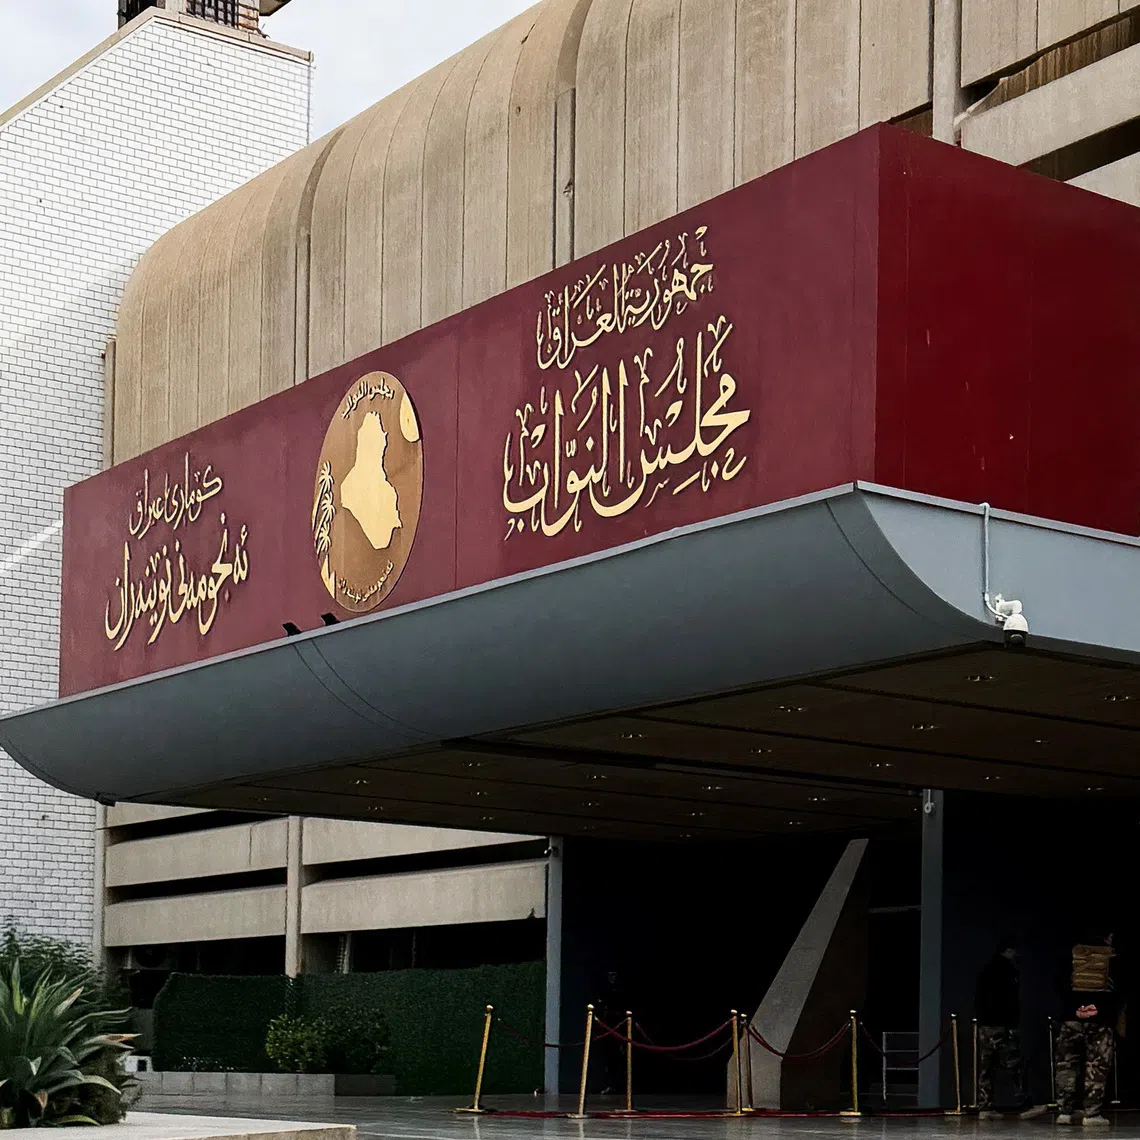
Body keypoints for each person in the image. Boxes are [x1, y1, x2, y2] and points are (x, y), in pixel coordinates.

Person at [1055, 934, 1121, 1125]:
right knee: (1097, 1066)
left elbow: (1058, 986)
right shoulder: (1111, 957)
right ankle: (1091, 1114)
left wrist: (1074, 1010)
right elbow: (1119, 990)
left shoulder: (1072, 954)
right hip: (1100, 1020)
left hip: (1071, 1018)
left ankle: (1064, 1112)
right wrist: (1101, 1009)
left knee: (1066, 1065)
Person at [974, 938, 1026, 1117]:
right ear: (1008, 951)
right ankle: (1023, 1104)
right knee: (1014, 1064)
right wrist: (1012, 1022)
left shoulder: (985, 970)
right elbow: (1010, 1000)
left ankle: (985, 1106)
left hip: (985, 1025)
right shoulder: (1008, 971)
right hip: (1001, 1024)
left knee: (986, 1067)